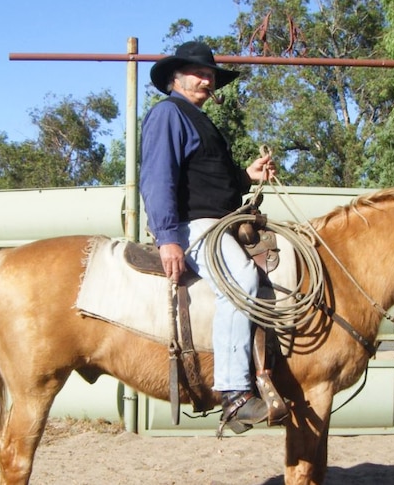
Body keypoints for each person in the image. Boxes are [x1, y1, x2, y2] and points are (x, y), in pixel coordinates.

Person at [139, 41, 276, 431]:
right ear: (174, 78)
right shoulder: (168, 113)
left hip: (218, 220)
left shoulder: (199, 119)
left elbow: (209, 177)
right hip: (193, 225)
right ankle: (234, 394)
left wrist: (246, 176)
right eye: (198, 73)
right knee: (242, 280)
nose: (206, 80)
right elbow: (157, 178)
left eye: (211, 75)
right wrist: (168, 237)